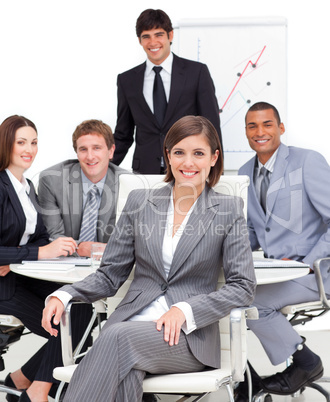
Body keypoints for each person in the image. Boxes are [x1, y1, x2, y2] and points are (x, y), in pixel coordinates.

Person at [42, 115, 256, 402]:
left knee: (116, 337)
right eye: (179, 152)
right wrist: (65, 294)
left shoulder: (228, 209)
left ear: (214, 158)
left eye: (199, 153)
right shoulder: (140, 202)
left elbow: (242, 286)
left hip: (184, 337)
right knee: (125, 372)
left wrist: (185, 310)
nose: (188, 163)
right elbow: (110, 275)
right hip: (131, 323)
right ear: (168, 156)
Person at [236, 102, 330, 400]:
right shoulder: (243, 172)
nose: (260, 132)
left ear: (281, 128)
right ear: (246, 132)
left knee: (249, 304)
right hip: (278, 274)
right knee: (216, 298)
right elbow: (255, 230)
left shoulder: (307, 161)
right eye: (252, 126)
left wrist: (308, 263)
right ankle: (244, 378)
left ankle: (306, 362)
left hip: (315, 272)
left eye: (267, 124)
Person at [0, 115, 91, 402]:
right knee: (68, 321)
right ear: (6, 145)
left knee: (80, 308)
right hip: (5, 284)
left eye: (34, 142)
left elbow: (34, 236)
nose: (29, 149)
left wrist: (57, 245)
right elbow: (29, 246)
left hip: (17, 274)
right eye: (22, 142)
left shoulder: (26, 186)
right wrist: (39, 252)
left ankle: (24, 379)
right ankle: (36, 390)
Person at [112, 8, 223, 174]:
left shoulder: (196, 72)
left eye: (158, 35)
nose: (153, 42)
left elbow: (211, 127)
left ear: (170, 36)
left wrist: (216, 173)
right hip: (145, 170)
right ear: (139, 40)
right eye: (146, 36)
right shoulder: (127, 80)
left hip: (188, 168)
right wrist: (100, 169)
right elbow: (123, 134)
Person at [38, 119, 127, 257]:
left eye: (97, 148)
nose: (90, 157)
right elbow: (54, 237)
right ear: (77, 153)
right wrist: (81, 248)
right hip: (63, 268)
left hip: (111, 268)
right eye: (83, 149)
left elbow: (132, 242)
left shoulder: (129, 183)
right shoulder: (52, 180)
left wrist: (99, 250)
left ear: (111, 151)